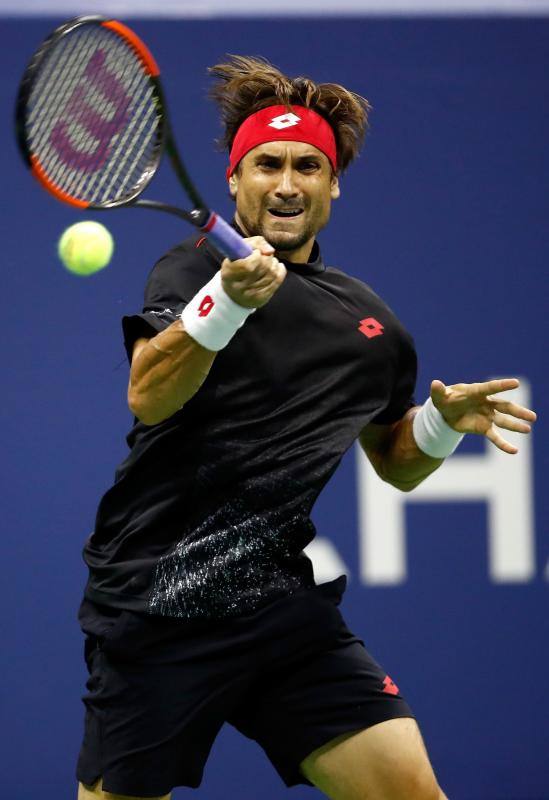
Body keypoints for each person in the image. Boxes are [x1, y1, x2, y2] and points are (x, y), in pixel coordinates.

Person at [76, 56, 536, 800]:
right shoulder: (191, 271)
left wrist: (440, 426)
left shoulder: (373, 330)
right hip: (157, 605)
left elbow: (394, 463)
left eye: (306, 167)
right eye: (266, 165)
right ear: (233, 180)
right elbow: (149, 396)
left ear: (332, 185)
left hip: (281, 612)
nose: (286, 184)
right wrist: (226, 303)